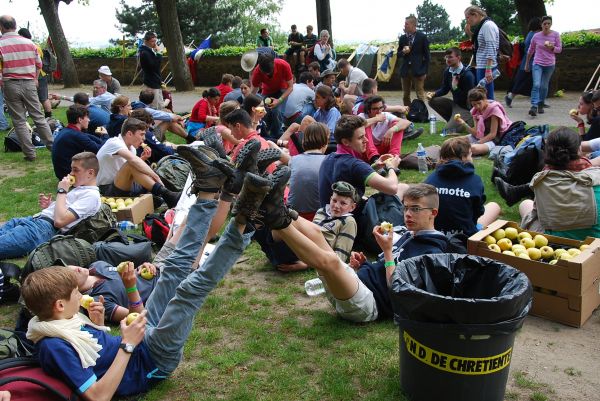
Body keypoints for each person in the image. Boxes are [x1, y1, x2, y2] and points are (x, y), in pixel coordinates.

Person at [20, 156, 277, 399]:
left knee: (175, 266)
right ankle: (244, 220)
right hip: (151, 360)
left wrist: (102, 322)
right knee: (188, 292)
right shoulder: (53, 345)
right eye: (75, 293)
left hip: (142, 336)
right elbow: (98, 396)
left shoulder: (64, 321)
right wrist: (127, 345)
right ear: (60, 305)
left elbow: (110, 339)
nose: (81, 295)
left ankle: (209, 191)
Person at [268, 183, 450, 321]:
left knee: (330, 262)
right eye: (406, 207)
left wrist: (387, 251)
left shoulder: (431, 252)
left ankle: (277, 221)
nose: (408, 214)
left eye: (415, 209)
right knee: (317, 233)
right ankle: (273, 206)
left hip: (367, 304)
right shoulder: (410, 234)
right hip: (355, 286)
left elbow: (398, 290)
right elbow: (385, 267)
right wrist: (363, 265)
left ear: (433, 213)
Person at [0, 152, 100, 260]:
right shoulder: (81, 189)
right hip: (33, 221)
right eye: (71, 169)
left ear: (90, 173)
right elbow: (64, 211)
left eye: (76, 170)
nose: (71, 173)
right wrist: (51, 205)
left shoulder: (91, 196)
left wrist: (62, 191)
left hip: (41, 229)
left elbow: (59, 221)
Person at [516, 127, 600, 240]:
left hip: (555, 242)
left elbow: (537, 215)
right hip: (594, 241)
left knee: (525, 204)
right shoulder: (596, 176)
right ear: (579, 149)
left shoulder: (542, 180)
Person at [318, 115, 407, 212]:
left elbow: (354, 174)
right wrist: (391, 167)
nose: (366, 140)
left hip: (328, 217)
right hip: (354, 221)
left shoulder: (328, 158)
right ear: (346, 142)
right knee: (403, 188)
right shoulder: (354, 164)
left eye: (365, 135)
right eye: (361, 137)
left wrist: (374, 166)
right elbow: (392, 188)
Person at [0, 15, 53, 161]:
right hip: (29, 82)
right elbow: (39, 64)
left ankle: (30, 154)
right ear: (15, 26)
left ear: (1, 27)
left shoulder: (1, 44)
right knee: (38, 116)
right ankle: (52, 146)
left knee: (19, 120)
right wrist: (35, 78)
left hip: (10, 83)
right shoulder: (29, 43)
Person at [95, 117, 181, 207]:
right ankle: (167, 195)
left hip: (125, 186)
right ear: (129, 134)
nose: (144, 138)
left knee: (145, 168)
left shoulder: (132, 148)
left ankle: (162, 195)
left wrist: (142, 159)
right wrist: (155, 176)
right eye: (141, 134)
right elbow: (131, 162)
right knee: (132, 165)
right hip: (107, 190)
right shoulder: (114, 143)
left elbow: (131, 168)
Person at [424, 137, 500, 236]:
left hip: (432, 234)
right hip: (464, 237)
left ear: (442, 157)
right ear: (464, 157)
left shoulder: (431, 179)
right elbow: (478, 212)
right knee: (494, 206)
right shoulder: (475, 180)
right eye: (470, 155)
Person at [70, 261, 159, 324]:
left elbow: (129, 274)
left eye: (67, 266)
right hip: (160, 291)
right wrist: (131, 288)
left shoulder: (97, 265)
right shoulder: (97, 301)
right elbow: (137, 317)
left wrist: (143, 267)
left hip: (158, 269)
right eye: (68, 274)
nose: (72, 268)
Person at [426, 47, 476, 134]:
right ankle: (453, 120)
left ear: (458, 58)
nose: (447, 59)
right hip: (456, 105)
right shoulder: (448, 71)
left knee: (447, 131)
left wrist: (455, 87)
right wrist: (434, 93)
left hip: (466, 108)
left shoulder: (468, 75)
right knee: (432, 101)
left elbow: (470, 98)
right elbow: (444, 89)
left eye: (450, 57)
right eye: (446, 57)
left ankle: (469, 121)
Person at [288, 122, 329, 220]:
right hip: (318, 216)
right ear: (325, 142)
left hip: (293, 214)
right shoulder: (329, 161)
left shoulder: (293, 160)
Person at [51, 105, 105, 180]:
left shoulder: (67, 131)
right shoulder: (76, 135)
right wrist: (105, 135)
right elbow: (101, 150)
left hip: (62, 173)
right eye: (87, 117)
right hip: (70, 176)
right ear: (80, 119)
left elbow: (88, 137)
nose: (89, 120)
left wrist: (101, 138)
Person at [250, 52, 294, 140]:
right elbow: (253, 92)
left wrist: (279, 100)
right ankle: (265, 135)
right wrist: (249, 105)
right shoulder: (257, 72)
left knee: (276, 112)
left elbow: (291, 87)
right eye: (265, 73)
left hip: (283, 89)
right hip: (267, 91)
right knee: (262, 111)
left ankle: (278, 136)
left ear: (274, 63)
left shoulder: (284, 65)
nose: (267, 75)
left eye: (270, 73)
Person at [456, 87, 512, 156]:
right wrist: (463, 123)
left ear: (485, 99)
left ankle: (456, 151)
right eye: (474, 104)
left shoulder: (494, 110)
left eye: (479, 103)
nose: (477, 106)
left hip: (495, 139)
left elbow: (492, 134)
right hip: (482, 137)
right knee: (455, 141)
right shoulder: (475, 111)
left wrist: (477, 143)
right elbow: (476, 133)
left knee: (473, 148)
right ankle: (454, 151)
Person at [525, 16, 562, 117]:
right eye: (544, 23)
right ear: (541, 25)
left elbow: (559, 49)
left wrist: (552, 47)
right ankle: (533, 106)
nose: (546, 25)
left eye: (548, 24)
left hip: (550, 64)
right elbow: (530, 50)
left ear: (551, 24)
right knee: (536, 84)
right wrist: (527, 64)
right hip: (537, 63)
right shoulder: (536, 36)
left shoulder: (555, 35)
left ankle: (541, 103)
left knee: (544, 86)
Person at [505, 17, 542, 108]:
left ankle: (538, 101)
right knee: (523, 82)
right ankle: (510, 96)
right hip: (530, 62)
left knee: (523, 81)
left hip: (528, 61)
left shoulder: (531, 33)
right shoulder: (534, 35)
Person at [464, 6, 500, 100]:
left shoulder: (488, 26)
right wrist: (468, 31)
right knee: (483, 96)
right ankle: (485, 114)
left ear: (475, 15)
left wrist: (488, 69)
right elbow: (480, 43)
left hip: (486, 66)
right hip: (482, 65)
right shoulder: (483, 25)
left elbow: (491, 47)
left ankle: (490, 114)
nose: (467, 21)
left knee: (485, 97)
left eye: (467, 17)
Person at [17, 27, 52, 119]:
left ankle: (44, 118)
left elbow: (37, 63)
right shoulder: (35, 45)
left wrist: (35, 78)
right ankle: (48, 118)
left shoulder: (30, 46)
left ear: (21, 36)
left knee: (37, 99)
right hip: (41, 75)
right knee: (43, 98)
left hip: (35, 76)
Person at [397, 15, 430, 106]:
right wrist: (403, 52)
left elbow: (427, 56)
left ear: (413, 25)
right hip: (405, 70)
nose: (404, 26)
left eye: (406, 24)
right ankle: (408, 114)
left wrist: (425, 72)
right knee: (405, 95)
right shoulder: (403, 38)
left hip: (418, 71)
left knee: (420, 94)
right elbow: (398, 54)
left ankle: (422, 113)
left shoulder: (422, 37)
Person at [139, 31, 164, 110]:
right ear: (146, 41)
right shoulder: (144, 52)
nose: (154, 43)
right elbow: (155, 66)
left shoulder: (150, 51)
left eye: (155, 41)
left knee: (160, 104)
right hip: (151, 82)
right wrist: (159, 53)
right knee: (154, 105)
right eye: (152, 41)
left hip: (156, 80)